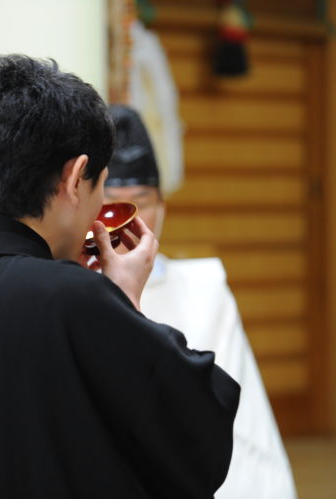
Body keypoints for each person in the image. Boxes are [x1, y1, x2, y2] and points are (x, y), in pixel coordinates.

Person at [0, 55, 240, 498]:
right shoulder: (71, 297)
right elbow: (196, 433)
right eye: (101, 185)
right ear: (75, 177)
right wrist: (124, 303)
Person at [103, 104, 297, 499]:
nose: (127, 221)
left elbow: (242, 428)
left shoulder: (203, 289)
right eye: (112, 204)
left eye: (141, 201)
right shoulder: (68, 292)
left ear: (162, 208)